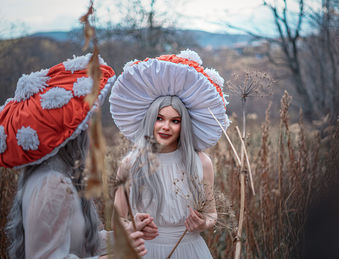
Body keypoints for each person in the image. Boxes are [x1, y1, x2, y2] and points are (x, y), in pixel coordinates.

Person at [1, 54, 147, 258]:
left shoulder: (53, 176)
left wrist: (124, 235)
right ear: (71, 138)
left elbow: (76, 244)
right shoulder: (52, 185)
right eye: (86, 129)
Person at [109, 49, 230, 258]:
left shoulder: (201, 162)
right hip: (144, 251)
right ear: (150, 120)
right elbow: (116, 220)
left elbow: (211, 214)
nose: (166, 126)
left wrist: (203, 223)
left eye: (175, 121)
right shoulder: (130, 163)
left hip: (190, 250)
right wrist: (133, 227)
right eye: (159, 118)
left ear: (184, 126)